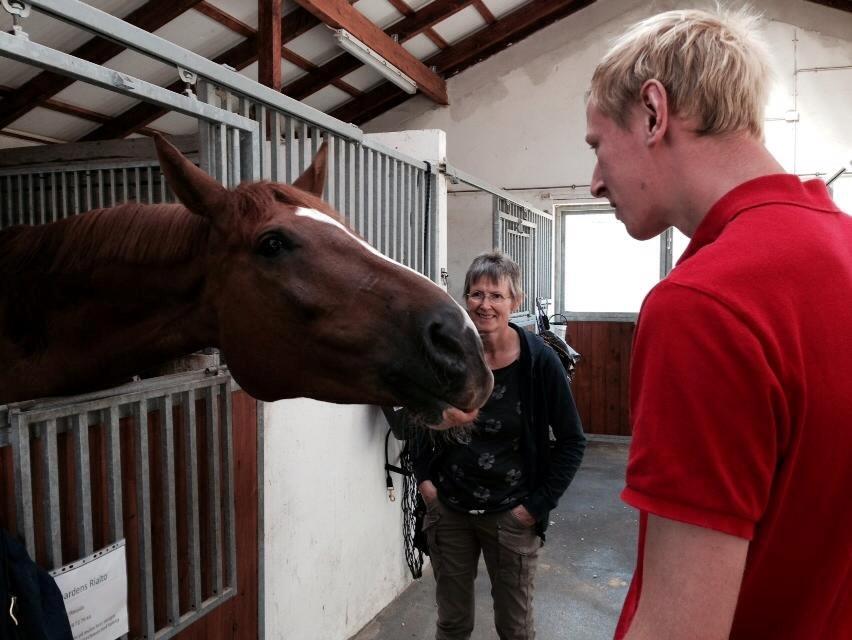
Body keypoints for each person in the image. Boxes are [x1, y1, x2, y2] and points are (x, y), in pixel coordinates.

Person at [584, 7, 852, 640]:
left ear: (654, 112)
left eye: (597, 145)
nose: (595, 181)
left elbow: (682, 629)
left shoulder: (706, 305)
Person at [387, 252, 585, 640]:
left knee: (514, 628)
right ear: (465, 300)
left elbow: (572, 441)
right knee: (453, 623)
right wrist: (427, 486)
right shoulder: (448, 358)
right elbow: (421, 420)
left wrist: (534, 507)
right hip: (450, 512)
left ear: (516, 302)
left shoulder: (539, 362)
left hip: (512, 514)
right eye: (476, 294)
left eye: (497, 295)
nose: (486, 304)